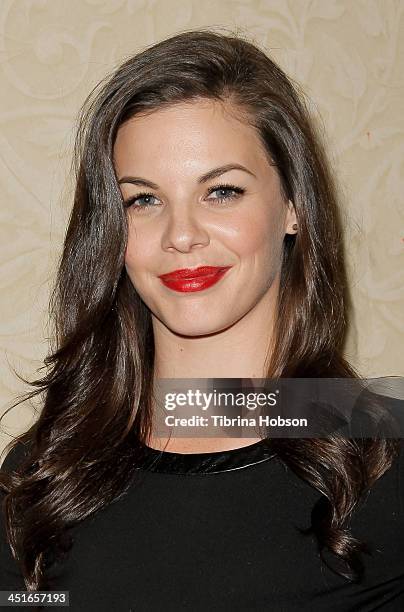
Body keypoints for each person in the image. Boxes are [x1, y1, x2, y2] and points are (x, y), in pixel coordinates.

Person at [0, 28, 403, 611]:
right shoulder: (47, 472)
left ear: (293, 206)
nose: (181, 235)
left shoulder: (384, 445)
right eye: (143, 199)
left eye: (222, 191)